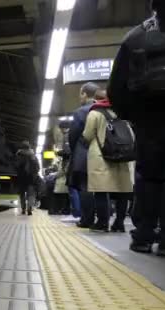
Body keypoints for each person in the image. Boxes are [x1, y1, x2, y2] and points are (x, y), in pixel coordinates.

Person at [108, 12, 165, 256]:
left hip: (147, 117)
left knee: (147, 177)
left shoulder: (135, 36)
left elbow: (116, 87)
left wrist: (132, 116)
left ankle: (142, 237)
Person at [81, 97, 134, 232]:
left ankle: (102, 223)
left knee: (101, 190)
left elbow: (87, 135)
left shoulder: (95, 113)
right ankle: (119, 223)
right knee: (122, 191)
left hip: (101, 156)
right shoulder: (122, 112)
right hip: (122, 155)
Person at [67, 82, 100, 228]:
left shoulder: (81, 111)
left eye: (80, 93)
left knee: (84, 186)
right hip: (102, 153)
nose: (80, 97)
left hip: (84, 153)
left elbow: (73, 135)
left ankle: (87, 219)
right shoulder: (102, 109)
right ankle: (102, 220)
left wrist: (75, 150)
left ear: (85, 94)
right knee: (99, 188)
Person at [16, 141, 40, 216]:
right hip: (31, 178)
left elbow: (14, 166)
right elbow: (38, 167)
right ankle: (29, 208)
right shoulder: (33, 156)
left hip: (21, 178)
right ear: (29, 147)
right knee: (31, 194)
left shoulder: (18, 155)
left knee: (22, 194)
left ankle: (23, 209)